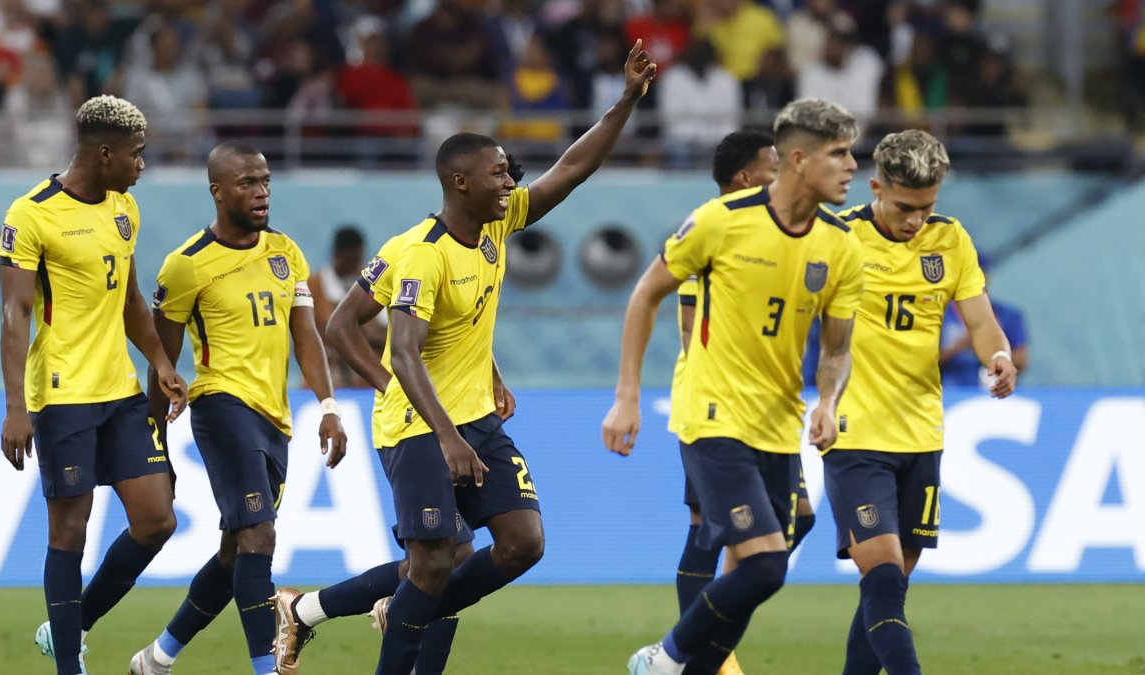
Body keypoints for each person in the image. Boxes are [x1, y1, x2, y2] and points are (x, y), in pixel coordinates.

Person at [271, 41, 657, 675]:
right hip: (425, 430)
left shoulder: (495, 228)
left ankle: (346, 609)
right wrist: (419, 414)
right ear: (460, 182)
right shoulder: (422, 253)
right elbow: (372, 339)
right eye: (500, 173)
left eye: (509, 173)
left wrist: (625, 101)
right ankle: (385, 619)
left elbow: (571, 169)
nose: (511, 182)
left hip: (473, 418)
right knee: (432, 563)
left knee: (521, 543)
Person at [602, 98, 865, 675]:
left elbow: (838, 347)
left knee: (763, 566)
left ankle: (689, 668)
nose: (852, 166)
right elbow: (645, 294)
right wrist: (627, 396)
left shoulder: (842, 245)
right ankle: (664, 659)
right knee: (765, 564)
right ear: (798, 159)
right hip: (712, 417)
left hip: (777, 427)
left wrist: (828, 401)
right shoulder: (721, 221)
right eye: (839, 153)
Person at [125, 141, 348, 675]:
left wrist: (329, 404)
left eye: (265, 180)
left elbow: (306, 336)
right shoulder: (186, 265)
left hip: (274, 419)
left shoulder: (286, 253)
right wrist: (153, 446)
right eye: (248, 182)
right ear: (218, 191)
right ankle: (267, 669)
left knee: (234, 554)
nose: (261, 191)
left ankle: (156, 659)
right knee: (259, 535)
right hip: (221, 404)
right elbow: (163, 359)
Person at [0, 95, 188, 675]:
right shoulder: (30, 215)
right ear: (103, 152)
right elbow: (14, 314)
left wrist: (158, 360)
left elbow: (130, 301)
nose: (141, 165)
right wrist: (15, 408)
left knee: (157, 518)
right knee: (70, 529)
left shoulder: (125, 208)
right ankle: (69, 665)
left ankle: (69, 626)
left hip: (120, 390)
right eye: (135, 154)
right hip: (61, 394)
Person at [828, 130, 1017, 675]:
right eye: (905, 207)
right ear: (875, 187)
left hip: (921, 434)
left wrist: (997, 357)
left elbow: (978, 320)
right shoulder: (838, 237)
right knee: (883, 576)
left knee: (886, 591)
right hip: (854, 432)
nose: (916, 220)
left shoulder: (949, 239)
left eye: (927, 207)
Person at [669, 129, 784, 675]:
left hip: (767, 410)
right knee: (706, 528)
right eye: (773, 167)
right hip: (716, 407)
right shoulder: (712, 227)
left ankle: (699, 649)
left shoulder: (775, 230)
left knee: (784, 526)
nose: (781, 176)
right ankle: (700, 658)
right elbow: (692, 331)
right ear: (745, 177)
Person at [307, 226, 383, 387]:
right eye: (351, 260)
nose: (355, 266)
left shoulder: (370, 283)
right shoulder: (315, 286)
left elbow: (381, 331)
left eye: (359, 259)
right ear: (337, 255)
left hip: (367, 376)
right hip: (327, 371)